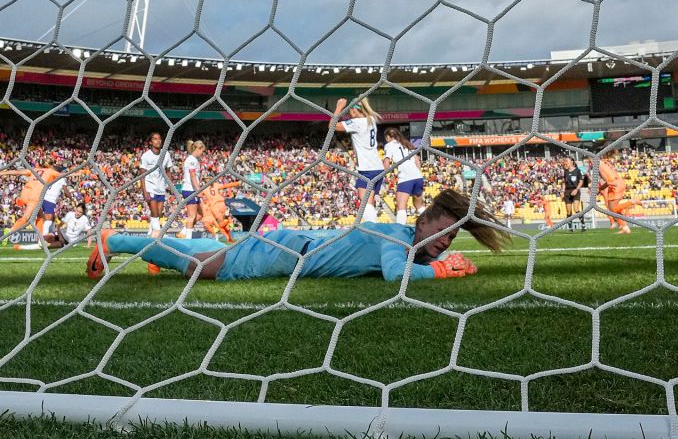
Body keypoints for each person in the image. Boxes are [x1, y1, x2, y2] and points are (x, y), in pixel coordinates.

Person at [87, 188, 510, 282]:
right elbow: (393, 274)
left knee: (212, 252)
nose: (445, 242)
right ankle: (115, 242)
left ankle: (128, 245)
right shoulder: (396, 239)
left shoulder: (405, 237)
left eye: (452, 239)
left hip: (289, 246)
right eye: (442, 233)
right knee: (199, 268)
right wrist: (441, 272)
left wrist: (437, 261)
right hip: (285, 256)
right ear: (424, 220)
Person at [1, 164, 80, 248]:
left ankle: (40, 238)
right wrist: (77, 174)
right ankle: (9, 231)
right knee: (26, 217)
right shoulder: (51, 172)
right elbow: (64, 175)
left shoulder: (35, 169)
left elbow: (18, 172)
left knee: (40, 216)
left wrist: (3, 172)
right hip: (35, 196)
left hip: (25, 194)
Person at [333, 98, 384, 223]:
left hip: (367, 169)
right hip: (378, 167)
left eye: (350, 110)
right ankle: (372, 227)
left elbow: (332, 126)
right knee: (369, 203)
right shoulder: (371, 120)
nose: (349, 113)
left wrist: (338, 107)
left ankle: (372, 231)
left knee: (365, 203)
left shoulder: (357, 122)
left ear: (355, 111)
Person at [383, 127, 425, 226]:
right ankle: (431, 225)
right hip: (418, 176)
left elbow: (387, 161)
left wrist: (384, 174)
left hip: (406, 177)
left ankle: (399, 231)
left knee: (401, 206)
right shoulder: (407, 144)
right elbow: (417, 161)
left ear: (388, 137)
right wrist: (417, 174)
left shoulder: (389, 145)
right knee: (419, 205)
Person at [140, 132, 176, 238]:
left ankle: (150, 234)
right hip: (150, 187)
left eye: (159, 138)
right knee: (155, 213)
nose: (158, 140)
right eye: (155, 139)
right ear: (151, 142)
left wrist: (170, 185)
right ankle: (159, 234)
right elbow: (142, 175)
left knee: (158, 214)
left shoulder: (166, 154)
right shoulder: (146, 156)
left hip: (161, 187)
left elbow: (168, 170)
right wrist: (144, 191)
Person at [597, 151, 634, 235]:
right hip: (619, 182)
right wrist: (600, 188)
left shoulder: (599, 165)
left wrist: (600, 188)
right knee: (614, 208)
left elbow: (608, 181)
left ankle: (631, 202)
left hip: (614, 185)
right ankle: (624, 227)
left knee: (612, 209)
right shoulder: (605, 163)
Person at [180, 140, 206, 239]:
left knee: (200, 215)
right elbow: (192, 176)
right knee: (192, 216)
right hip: (190, 190)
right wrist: (198, 190)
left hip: (193, 190)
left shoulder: (194, 160)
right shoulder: (191, 160)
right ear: (198, 149)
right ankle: (188, 239)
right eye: (202, 151)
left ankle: (183, 232)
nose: (202, 154)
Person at [560, 157, 585, 232]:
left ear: (572, 162)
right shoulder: (565, 171)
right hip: (567, 192)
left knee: (576, 209)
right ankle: (570, 227)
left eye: (566, 160)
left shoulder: (578, 170)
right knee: (568, 211)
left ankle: (583, 225)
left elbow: (581, 181)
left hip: (575, 191)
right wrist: (562, 191)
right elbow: (564, 182)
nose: (565, 162)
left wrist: (577, 189)